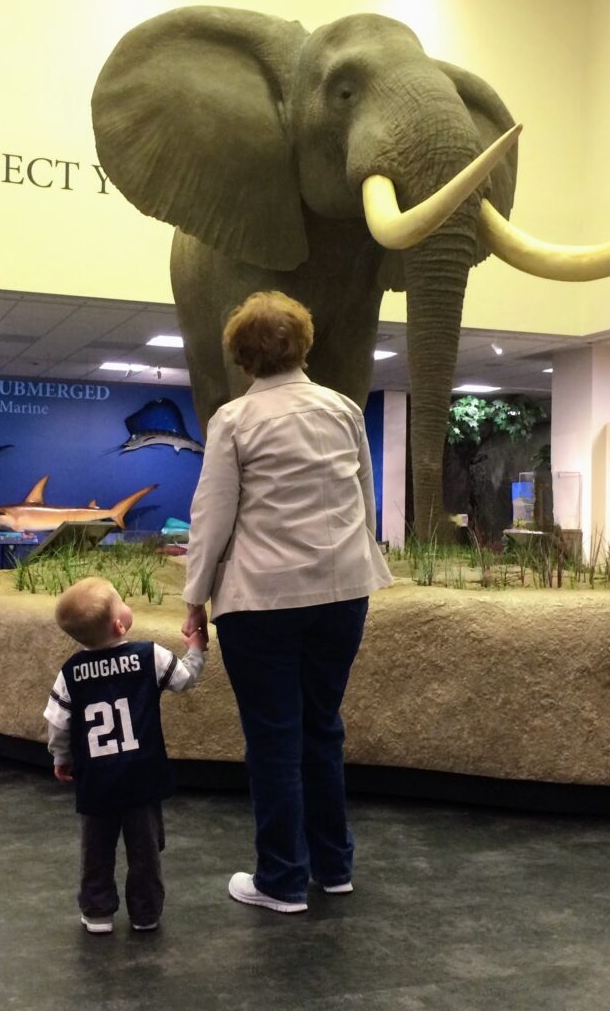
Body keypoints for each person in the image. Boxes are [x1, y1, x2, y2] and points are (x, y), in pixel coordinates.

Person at [182, 290, 392, 914]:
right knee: (321, 727)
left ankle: (279, 879)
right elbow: (364, 503)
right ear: (304, 343)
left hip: (262, 601)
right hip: (344, 592)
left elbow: (212, 518)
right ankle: (334, 867)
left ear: (242, 357)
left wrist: (195, 599)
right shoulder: (344, 410)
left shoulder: (233, 421)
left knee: (273, 738)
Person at [44, 576, 206, 934]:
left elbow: (58, 724)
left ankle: (97, 912)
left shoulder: (70, 673)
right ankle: (146, 913)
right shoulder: (150, 655)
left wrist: (61, 757)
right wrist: (196, 648)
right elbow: (185, 679)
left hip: (96, 779)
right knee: (145, 850)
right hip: (142, 776)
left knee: (96, 850)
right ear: (120, 623)